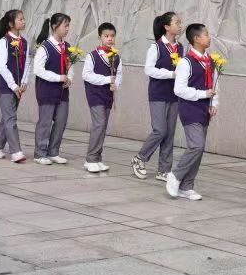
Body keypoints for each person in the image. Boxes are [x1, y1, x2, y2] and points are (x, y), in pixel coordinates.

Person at [165, 23, 219, 200]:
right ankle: (176, 175)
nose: (209, 37)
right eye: (207, 34)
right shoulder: (185, 62)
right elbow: (178, 90)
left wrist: (214, 102)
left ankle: (187, 187)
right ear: (196, 39)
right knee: (196, 145)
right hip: (190, 108)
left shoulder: (211, 61)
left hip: (205, 109)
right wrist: (202, 94)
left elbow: (215, 84)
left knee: (199, 148)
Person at [132, 12, 183, 181]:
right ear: (167, 27)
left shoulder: (180, 47)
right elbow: (149, 69)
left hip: (174, 95)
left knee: (169, 133)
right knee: (160, 130)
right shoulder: (156, 47)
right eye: (176, 22)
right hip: (158, 94)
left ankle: (164, 170)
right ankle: (140, 158)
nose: (180, 25)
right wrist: (171, 75)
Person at [33, 12, 73, 165]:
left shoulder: (67, 47)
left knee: (61, 122)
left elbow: (71, 66)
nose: (68, 29)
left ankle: (53, 152)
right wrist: (58, 77)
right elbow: (38, 70)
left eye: (69, 26)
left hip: (63, 92)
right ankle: (39, 153)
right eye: (65, 25)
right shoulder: (45, 47)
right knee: (45, 122)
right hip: (47, 91)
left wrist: (69, 78)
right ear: (55, 27)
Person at [0, 9, 29, 163]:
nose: (23, 21)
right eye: (20, 19)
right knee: (11, 118)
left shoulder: (24, 42)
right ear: (11, 23)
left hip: (19, 86)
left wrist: (24, 82)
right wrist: (13, 85)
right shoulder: (3, 42)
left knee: (8, 117)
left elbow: (27, 63)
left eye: (23, 19)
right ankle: (16, 151)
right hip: (6, 86)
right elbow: (2, 66)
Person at [82, 22, 122, 173]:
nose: (110, 39)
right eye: (106, 36)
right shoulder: (92, 56)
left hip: (107, 95)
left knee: (103, 126)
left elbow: (119, 75)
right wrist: (106, 80)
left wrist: (115, 84)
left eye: (112, 36)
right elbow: (86, 75)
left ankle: (97, 158)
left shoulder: (116, 56)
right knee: (99, 124)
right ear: (100, 37)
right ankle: (90, 159)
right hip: (94, 94)